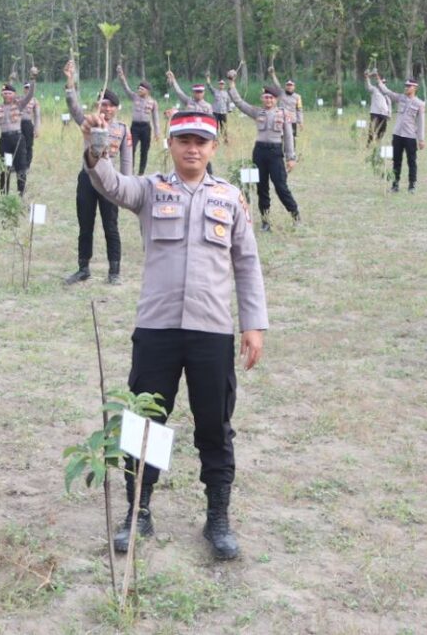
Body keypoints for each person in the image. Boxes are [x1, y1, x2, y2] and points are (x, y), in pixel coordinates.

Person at [80, 107, 266, 561]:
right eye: (184, 140)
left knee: (215, 427)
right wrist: (95, 146)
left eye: (201, 142)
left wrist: (253, 324)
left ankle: (217, 517)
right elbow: (110, 184)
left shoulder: (229, 197)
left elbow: (246, 263)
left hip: (211, 332)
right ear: (171, 144)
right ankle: (138, 511)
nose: (192, 149)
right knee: (145, 422)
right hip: (158, 328)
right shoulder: (150, 189)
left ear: (213, 148)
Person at [64, 61, 132, 284]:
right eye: (104, 104)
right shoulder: (90, 122)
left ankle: (114, 272)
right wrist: (70, 79)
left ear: (117, 108)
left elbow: (127, 159)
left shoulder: (122, 129)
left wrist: (126, 186)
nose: (107, 108)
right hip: (87, 179)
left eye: (112, 105)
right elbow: (73, 106)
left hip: (110, 182)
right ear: (98, 106)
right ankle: (83, 268)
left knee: (110, 226)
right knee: (85, 225)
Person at [226, 70, 299, 229]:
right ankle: (265, 221)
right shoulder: (257, 112)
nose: (268, 100)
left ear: (276, 99)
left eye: (271, 97)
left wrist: (291, 158)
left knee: (281, 186)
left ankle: (295, 214)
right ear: (262, 98)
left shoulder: (282, 113)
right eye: (266, 97)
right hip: (259, 152)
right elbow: (239, 102)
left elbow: (288, 137)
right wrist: (232, 83)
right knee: (262, 188)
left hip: (275, 153)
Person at [369, 71, 426, 192]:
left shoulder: (419, 104)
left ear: (415, 88)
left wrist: (421, 139)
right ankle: (395, 185)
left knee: (411, 161)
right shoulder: (401, 98)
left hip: (410, 136)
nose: (406, 88)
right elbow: (386, 91)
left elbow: (421, 123)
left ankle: (412, 185)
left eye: (409, 86)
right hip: (397, 135)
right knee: (396, 161)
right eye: (405, 86)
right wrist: (378, 79)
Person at [0, 80, 33, 195]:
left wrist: (33, 80)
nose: (7, 95)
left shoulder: (19, 105)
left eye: (10, 93)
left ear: (14, 94)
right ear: (1, 94)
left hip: (17, 140)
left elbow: (30, 95)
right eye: (5, 93)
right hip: (5, 142)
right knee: (5, 168)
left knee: (21, 167)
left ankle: (20, 195)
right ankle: (4, 195)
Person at [118, 67, 161, 174]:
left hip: (146, 128)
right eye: (139, 89)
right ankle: (130, 170)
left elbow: (155, 118)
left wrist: (157, 132)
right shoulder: (134, 97)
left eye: (142, 89)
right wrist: (122, 78)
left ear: (147, 91)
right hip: (135, 127)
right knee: (131, 149)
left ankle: (141, 172)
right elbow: (126, 88)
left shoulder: (153, 102)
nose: (139, 90)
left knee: (144, 151)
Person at [17, 67, 41, 177]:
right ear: (23, 89)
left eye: (29, 88)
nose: (27, 89)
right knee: (18, 144)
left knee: (28, 145)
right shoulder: (19, 99)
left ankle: (27, 165)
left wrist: (37, 128)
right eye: (26, 88)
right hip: (18, 124)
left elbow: (37, 116)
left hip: (28, 124)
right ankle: (17, 164)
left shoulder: (35, 101)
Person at [273, 73, 304, 141]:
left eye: (291, 85)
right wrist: (273, 74)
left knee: (291, 139)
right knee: (280, 138)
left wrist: (301, 122)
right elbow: (277, 85)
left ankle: (292, 151)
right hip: (281, 120)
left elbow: (299, 110)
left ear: (294, 87)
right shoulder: (281, 93)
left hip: (292, 121)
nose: (289, 87)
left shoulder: (297, 97)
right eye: (287, 85)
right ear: (285, 86)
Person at [367, 72, 391, 144]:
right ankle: (369, 142)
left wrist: (389, 113)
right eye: (382, 82)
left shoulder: (387, 91)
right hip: (375, 112)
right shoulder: (374, 90)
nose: (383, 84)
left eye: (384, 82)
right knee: (372, 128)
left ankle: (378, 141)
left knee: (383, 129)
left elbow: (389, 103)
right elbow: (368, 86)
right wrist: (367, 78)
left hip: (384, 113)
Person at [211, 77, 233, 142]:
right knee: (215, 126)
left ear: (224, 85)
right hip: (215, 112)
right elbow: (209, 86)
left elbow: (228, 102)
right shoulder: (215, 91)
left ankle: (225, 139)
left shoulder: (226, 93)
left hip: (223, 112)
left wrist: (229, 109)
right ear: (218, 85)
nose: (221, 85)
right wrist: (208, 78)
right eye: (220, 84)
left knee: (224, 126)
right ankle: (215, 139)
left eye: (222, 84)